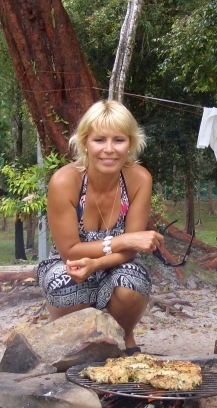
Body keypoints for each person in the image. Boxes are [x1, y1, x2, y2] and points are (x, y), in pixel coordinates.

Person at [37, 100, 163, 355]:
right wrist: (124, 241)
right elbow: (70, 252)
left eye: (118, 140)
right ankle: (69, 337)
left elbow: (130, 253)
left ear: (130, 143)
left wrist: (96, 264)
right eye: (99, 140)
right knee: (65, 282)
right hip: (68, 262)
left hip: (115, 263)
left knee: (133, 279)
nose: (109, 150)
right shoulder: (65, 181)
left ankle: (122, 335)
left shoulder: (139, 179)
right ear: (84, 142)